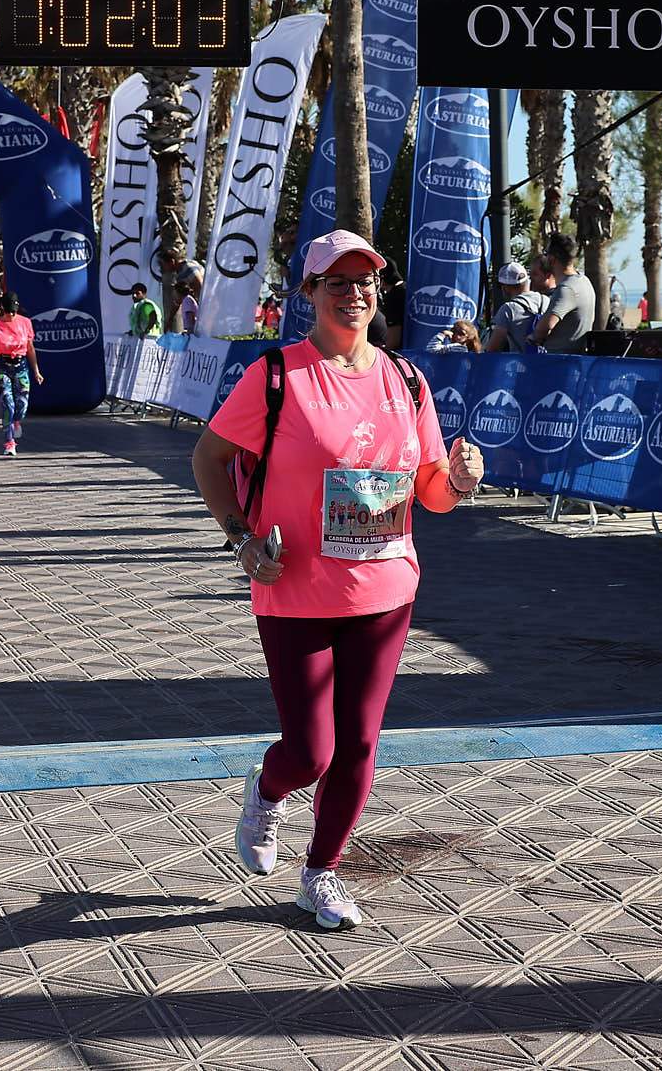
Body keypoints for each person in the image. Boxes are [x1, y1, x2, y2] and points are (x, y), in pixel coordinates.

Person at [189, 231, 485, 931]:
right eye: (336, 282)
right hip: (294, 586)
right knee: (310, 748)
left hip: (384, 588)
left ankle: (320, 872)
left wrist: (460, 481)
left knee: (358, 741)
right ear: (308, 294)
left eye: (365, 280)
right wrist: (240, 536)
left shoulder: (406, 380)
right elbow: (208, 457)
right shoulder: (277, 376)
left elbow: (429, 491)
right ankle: (267, 788)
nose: (353, 292)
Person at [0, 293, 45, 457]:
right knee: (7, 404)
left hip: (21, 365)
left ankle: (17, 421)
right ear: (3, 308)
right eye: (9, 311)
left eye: (14, 311)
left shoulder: (25, 323)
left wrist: (36, 371)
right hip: (2, 366)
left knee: (22, 404)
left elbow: (30, 348)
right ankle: (9, 442)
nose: (12, 314)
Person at [529, 234, 595, 354]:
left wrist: (532, 338)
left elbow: (546, 326)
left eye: (546, 253)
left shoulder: (566, 289)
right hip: (577, 359)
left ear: (552, 259)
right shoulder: (584, 281)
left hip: (559, 362)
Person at [481, 263, 547, 353]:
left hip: (521, 364)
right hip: (549, 362)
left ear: (505, 287)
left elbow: (493, 348)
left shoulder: (508, 309)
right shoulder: (546, 300)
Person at [177, 269, 202, 336]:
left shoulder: (187, 300)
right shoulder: (187, 299)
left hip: (193, 332)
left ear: (178, 292)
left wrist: (189, 333)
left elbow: (190, 317)